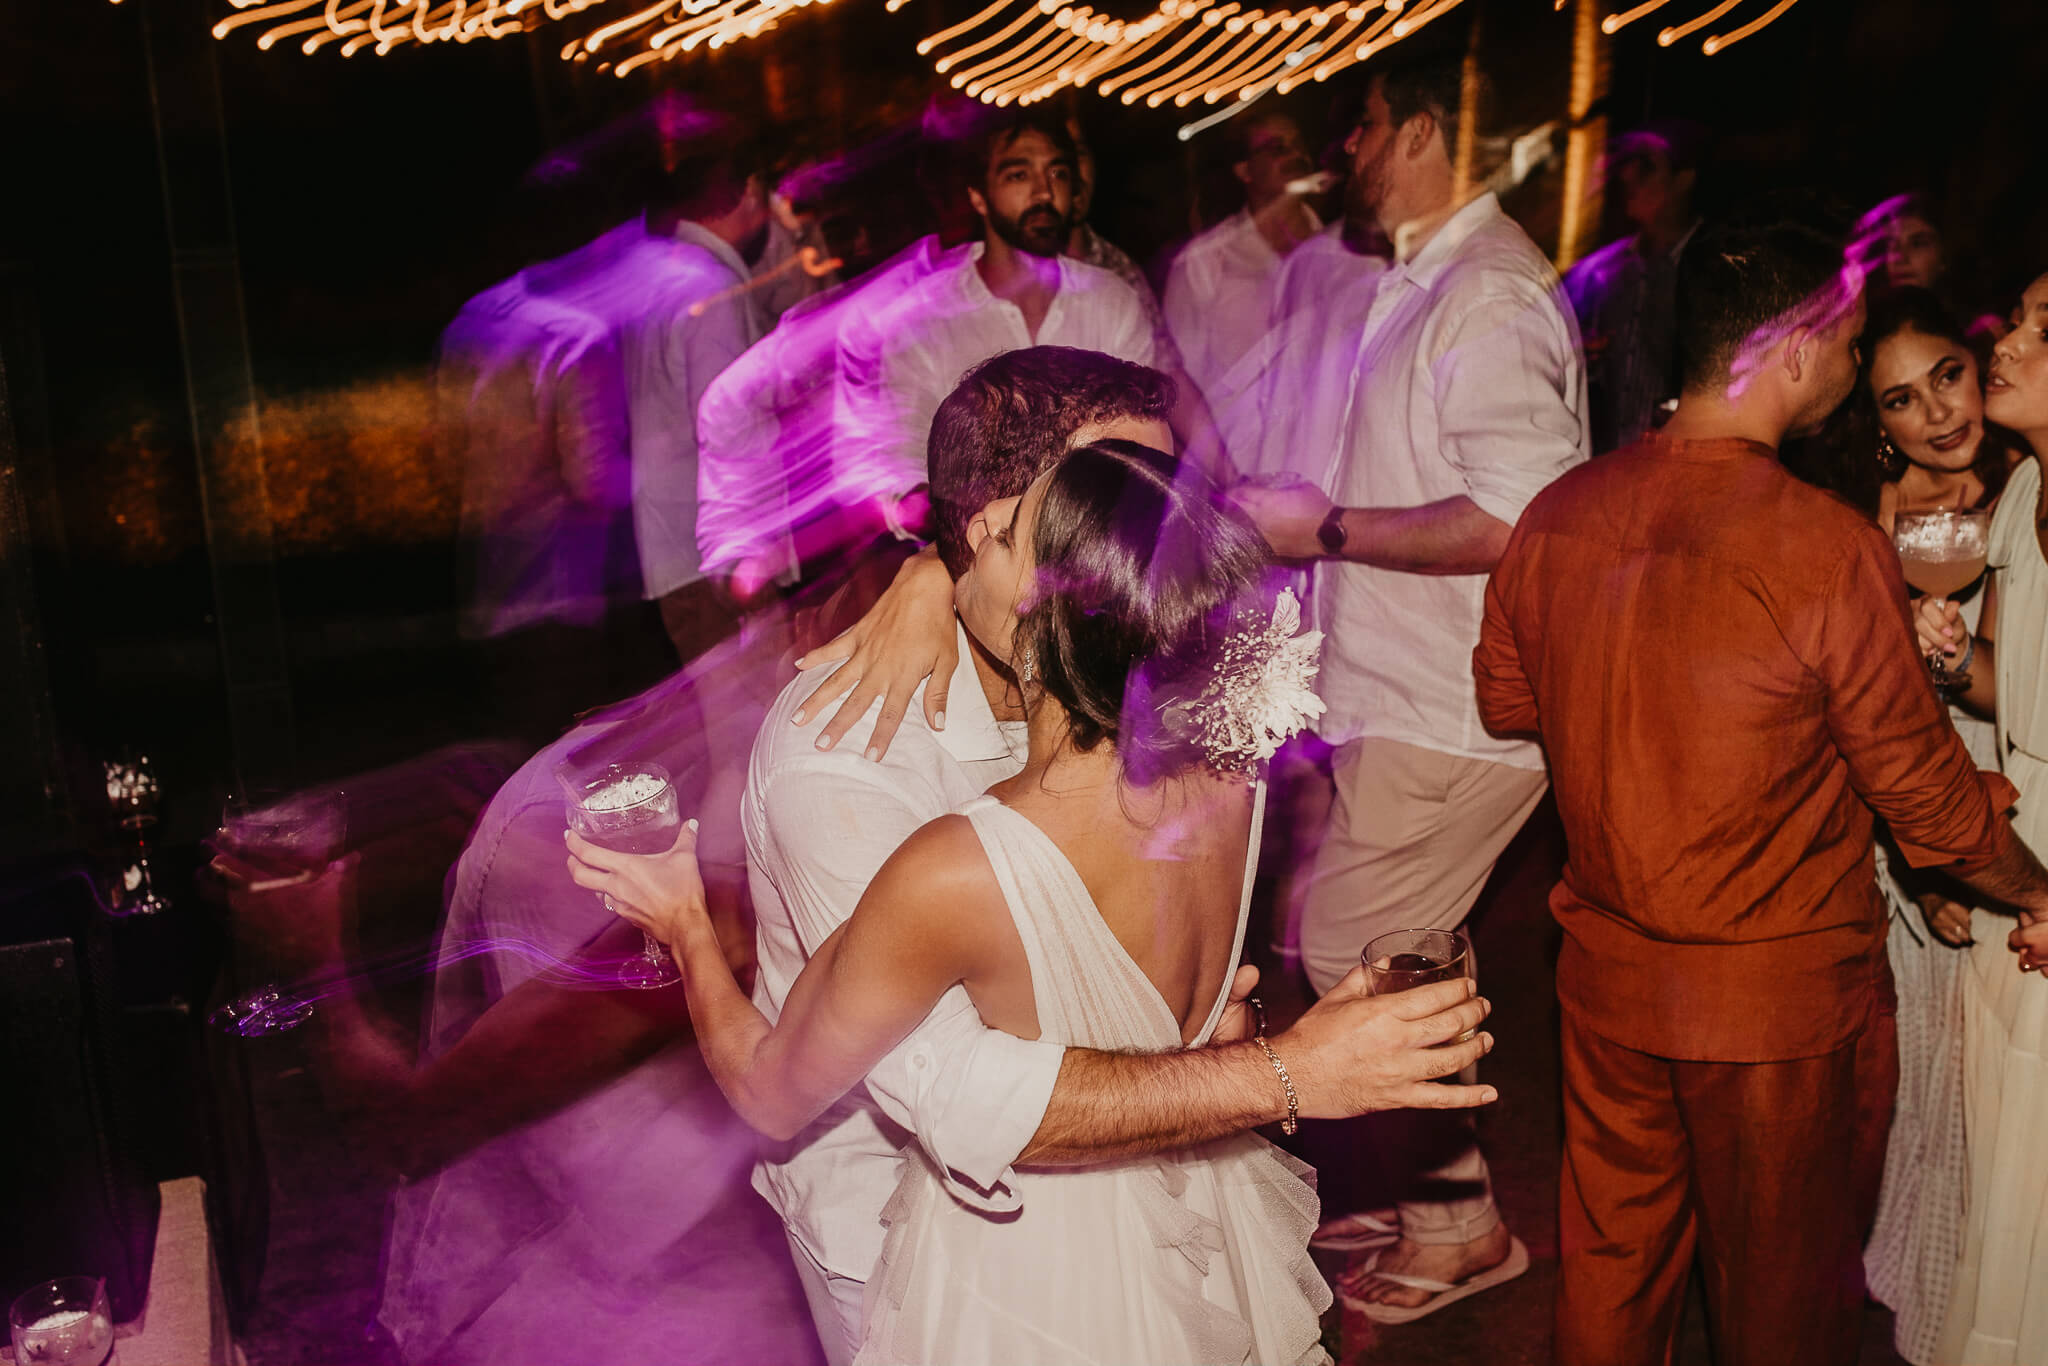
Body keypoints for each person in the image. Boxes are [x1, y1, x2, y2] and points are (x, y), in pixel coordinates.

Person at [594, 346, 1499, 1364]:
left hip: (1159, 1203)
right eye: (1111, 495)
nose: (1153, 524)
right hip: (900, 1234)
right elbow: (954, 1086)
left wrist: (1259, 1062)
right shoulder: (850, 764)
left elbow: (778, 1081)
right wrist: (1266, 1065)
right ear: (1002, 531)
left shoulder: (1165, 750)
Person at [1476, 200, 2048, 1366]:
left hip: (1606, 984)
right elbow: (1930, 804)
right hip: (1776, 1009)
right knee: (1779, 1309)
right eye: (1841, 339)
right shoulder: (1823, 547)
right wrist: (2034, 885)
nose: (1850, 357)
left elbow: (1506, 700)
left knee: (1613, 1279)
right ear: (1788, 350)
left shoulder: (1554, 515)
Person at [1227, 50, 1588, 1321]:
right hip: (1396, 692)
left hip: (1459, 702)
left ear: (1425, 129)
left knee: (1353, 954)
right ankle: (1408, 1177)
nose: (1347, 155)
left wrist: (1320, 531)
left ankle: (1464, 1225)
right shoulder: (1420, 280)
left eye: (1362, 128)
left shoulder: (1484, 294)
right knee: (1372, 948)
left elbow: (1520, 512)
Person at [1786, 285, 2020, 1366]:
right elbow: (1878, 703)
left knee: (2001, 1081)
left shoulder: (2022, 482)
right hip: (1923, 797)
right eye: (1898, 400)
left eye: (1945, 376)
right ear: (1873, 427)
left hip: (2006, 778)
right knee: (1930, 1069)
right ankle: (1933, 1281)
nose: (1934, 411)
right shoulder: (1876, 523)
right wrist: (1920, 856)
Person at [1916, 269, 2048, 1363]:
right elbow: (2022, 687)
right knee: (2004, 1149)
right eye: (2016, 315)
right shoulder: (2015, 495)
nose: (2009, 338)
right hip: (2022, 831)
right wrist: (1957, 663)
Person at [833, 111, 1161, 531]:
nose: (1045, 192)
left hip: (1096, 550)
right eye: (1018, 175)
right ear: (978, 196)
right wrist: (965, 531)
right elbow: (902, 467)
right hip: (969, 561)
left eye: (1058, 173)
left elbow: (1143, 448)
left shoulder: (1110, 299)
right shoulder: (927, 317)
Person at [1562, 121, 1707, 456]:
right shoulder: (1598, 272)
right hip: (1601, 468)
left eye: (1646, 166)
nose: (1628, 176)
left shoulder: (1711, 270)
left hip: (1676, 470)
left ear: (1684, 179)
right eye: (1628, 164)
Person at [1162, 111, 1323, 400]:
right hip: (1238, 443)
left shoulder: (1345, 253)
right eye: (1278, 148)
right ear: (1244, 170)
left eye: (1299, 144)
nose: (1296, 154)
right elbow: (1179, 382)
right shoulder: (1204, 261)